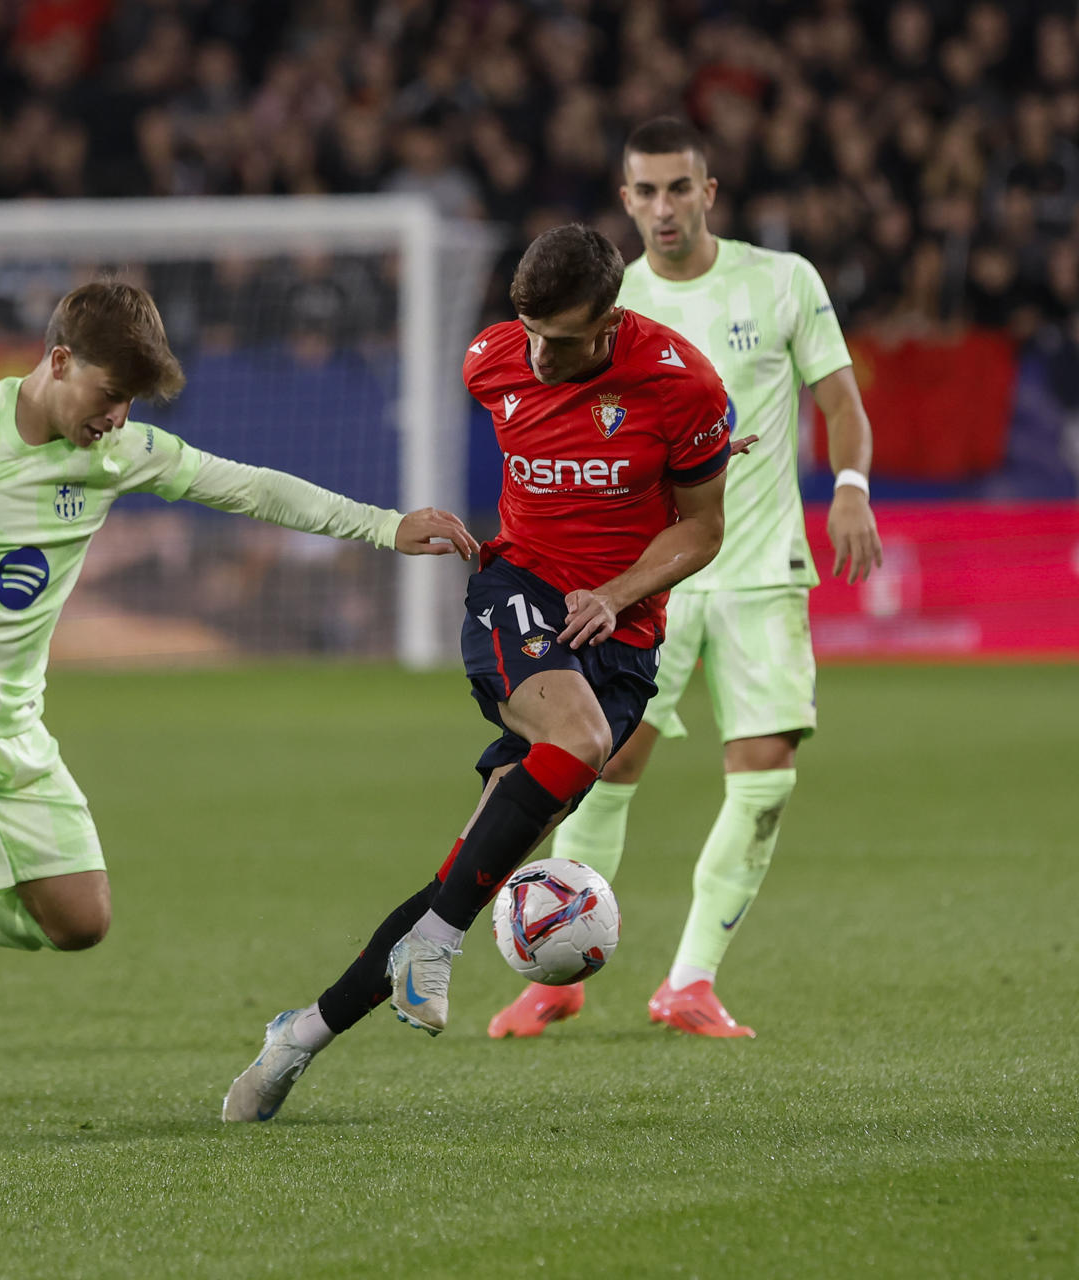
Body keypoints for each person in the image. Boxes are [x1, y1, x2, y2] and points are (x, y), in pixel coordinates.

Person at [0, 280, 479, 1116]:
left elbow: (252, 486)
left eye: (128, 403)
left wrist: (383, 525)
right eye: (108, 395)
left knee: (80, 919)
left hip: (11, 722)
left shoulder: (120, 453)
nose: (116, 417)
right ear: (57, 361)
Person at [223, 223, 735, 1123]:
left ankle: (299, 1035)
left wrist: (616, 593)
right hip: (519, 594)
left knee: (468, 874)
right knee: (573, 745)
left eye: (564, 339)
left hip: (618, 637)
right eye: (529, 330)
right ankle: (439, 944)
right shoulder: (490, 362)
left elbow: (701, 530)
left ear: (612, 320)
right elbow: (520, 376)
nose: (539, 355)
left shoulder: (681, 386)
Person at [486, 117, 883, 1043]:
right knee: (602, 764)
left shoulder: (782, 280)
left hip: (758, 569)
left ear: (710, 192)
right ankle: (557, 974)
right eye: (645, 191)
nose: (663, 207)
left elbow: (839, 401)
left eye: (679, 188)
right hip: (644, 577)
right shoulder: (605, 305)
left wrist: (852, 489)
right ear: (625, 200)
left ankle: (691, 981)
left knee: (765, 773)